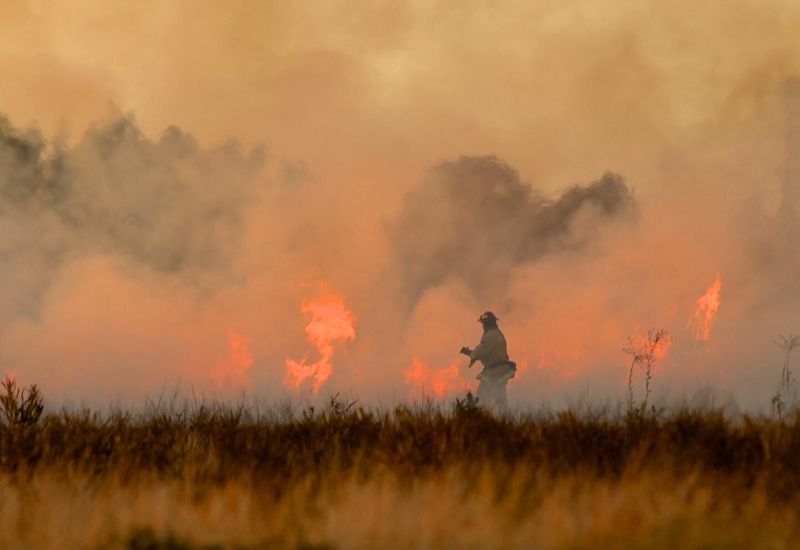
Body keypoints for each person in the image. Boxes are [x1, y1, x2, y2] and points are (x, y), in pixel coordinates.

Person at [460, 311, 516, 411]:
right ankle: (504, 419)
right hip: (499, 371)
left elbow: (480, 352)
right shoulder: (498, 334)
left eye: (483, 323)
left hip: (494, 373)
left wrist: (469, 353)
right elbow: (488, 353)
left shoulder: (491, 335)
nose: (482, 326)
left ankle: (481, 418)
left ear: (486, 323)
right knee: (500, 399)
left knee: (482, 399)